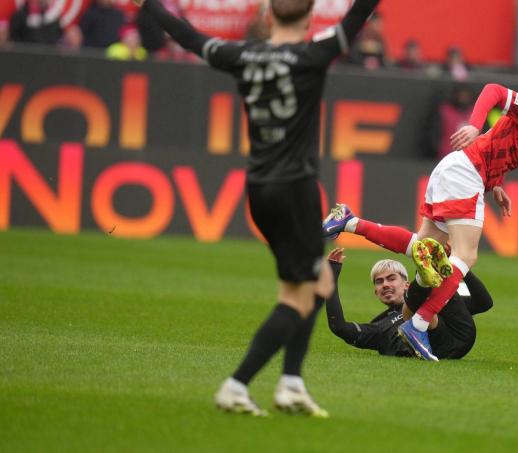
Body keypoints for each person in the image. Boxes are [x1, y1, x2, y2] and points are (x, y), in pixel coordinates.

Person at [133, 0, 380, 417]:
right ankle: (237, 384)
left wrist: (151, 6)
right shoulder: (313, 53)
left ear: (267, 17)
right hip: (296, 188)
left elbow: (190, 37)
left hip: (259, 188)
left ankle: (291, 383)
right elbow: (357, 17)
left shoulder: (241, 55)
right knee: (296, 297)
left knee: (318, 281)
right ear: (307, 20)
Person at [324, 78, 518, 360]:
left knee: (423, 247)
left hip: (460, 170)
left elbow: (504, 148)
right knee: (466, 255)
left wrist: (496, 184)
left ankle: (349, 222)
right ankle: (419, 324)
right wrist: (473, 125)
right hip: (466, 171)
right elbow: (494, 90)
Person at [323, 248, 493, 359]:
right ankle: (425, 275)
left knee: (438, 289)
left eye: (391, 279)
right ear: (376, 293)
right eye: (379, 282)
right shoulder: (378, 327)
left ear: (406, 284)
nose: (385, 285)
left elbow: (484, 303)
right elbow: (339, 327)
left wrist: (462, 269)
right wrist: (331, 274)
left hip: (461, 336)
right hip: (436, 350)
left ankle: (440, 268)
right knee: (419, 302)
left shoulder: (434, 301)